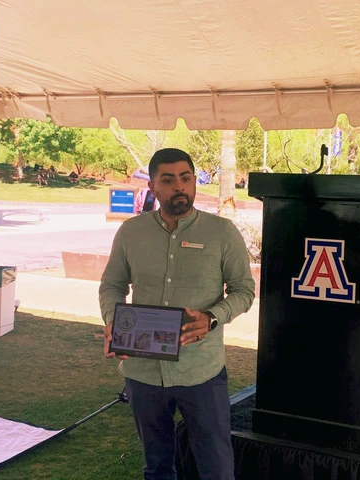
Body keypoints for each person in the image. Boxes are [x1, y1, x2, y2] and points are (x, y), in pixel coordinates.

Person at [99, 148, 255, 480]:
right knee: (157, 466)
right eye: (167, 180)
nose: (179, 187)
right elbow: (112, 285)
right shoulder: (131, 233)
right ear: (153, 187)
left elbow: (244, 290)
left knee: (216, 467)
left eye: (186, 178)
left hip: (201, 371)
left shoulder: (222, 233)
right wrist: (113, 321)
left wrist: (212, 318)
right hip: (143, 372)